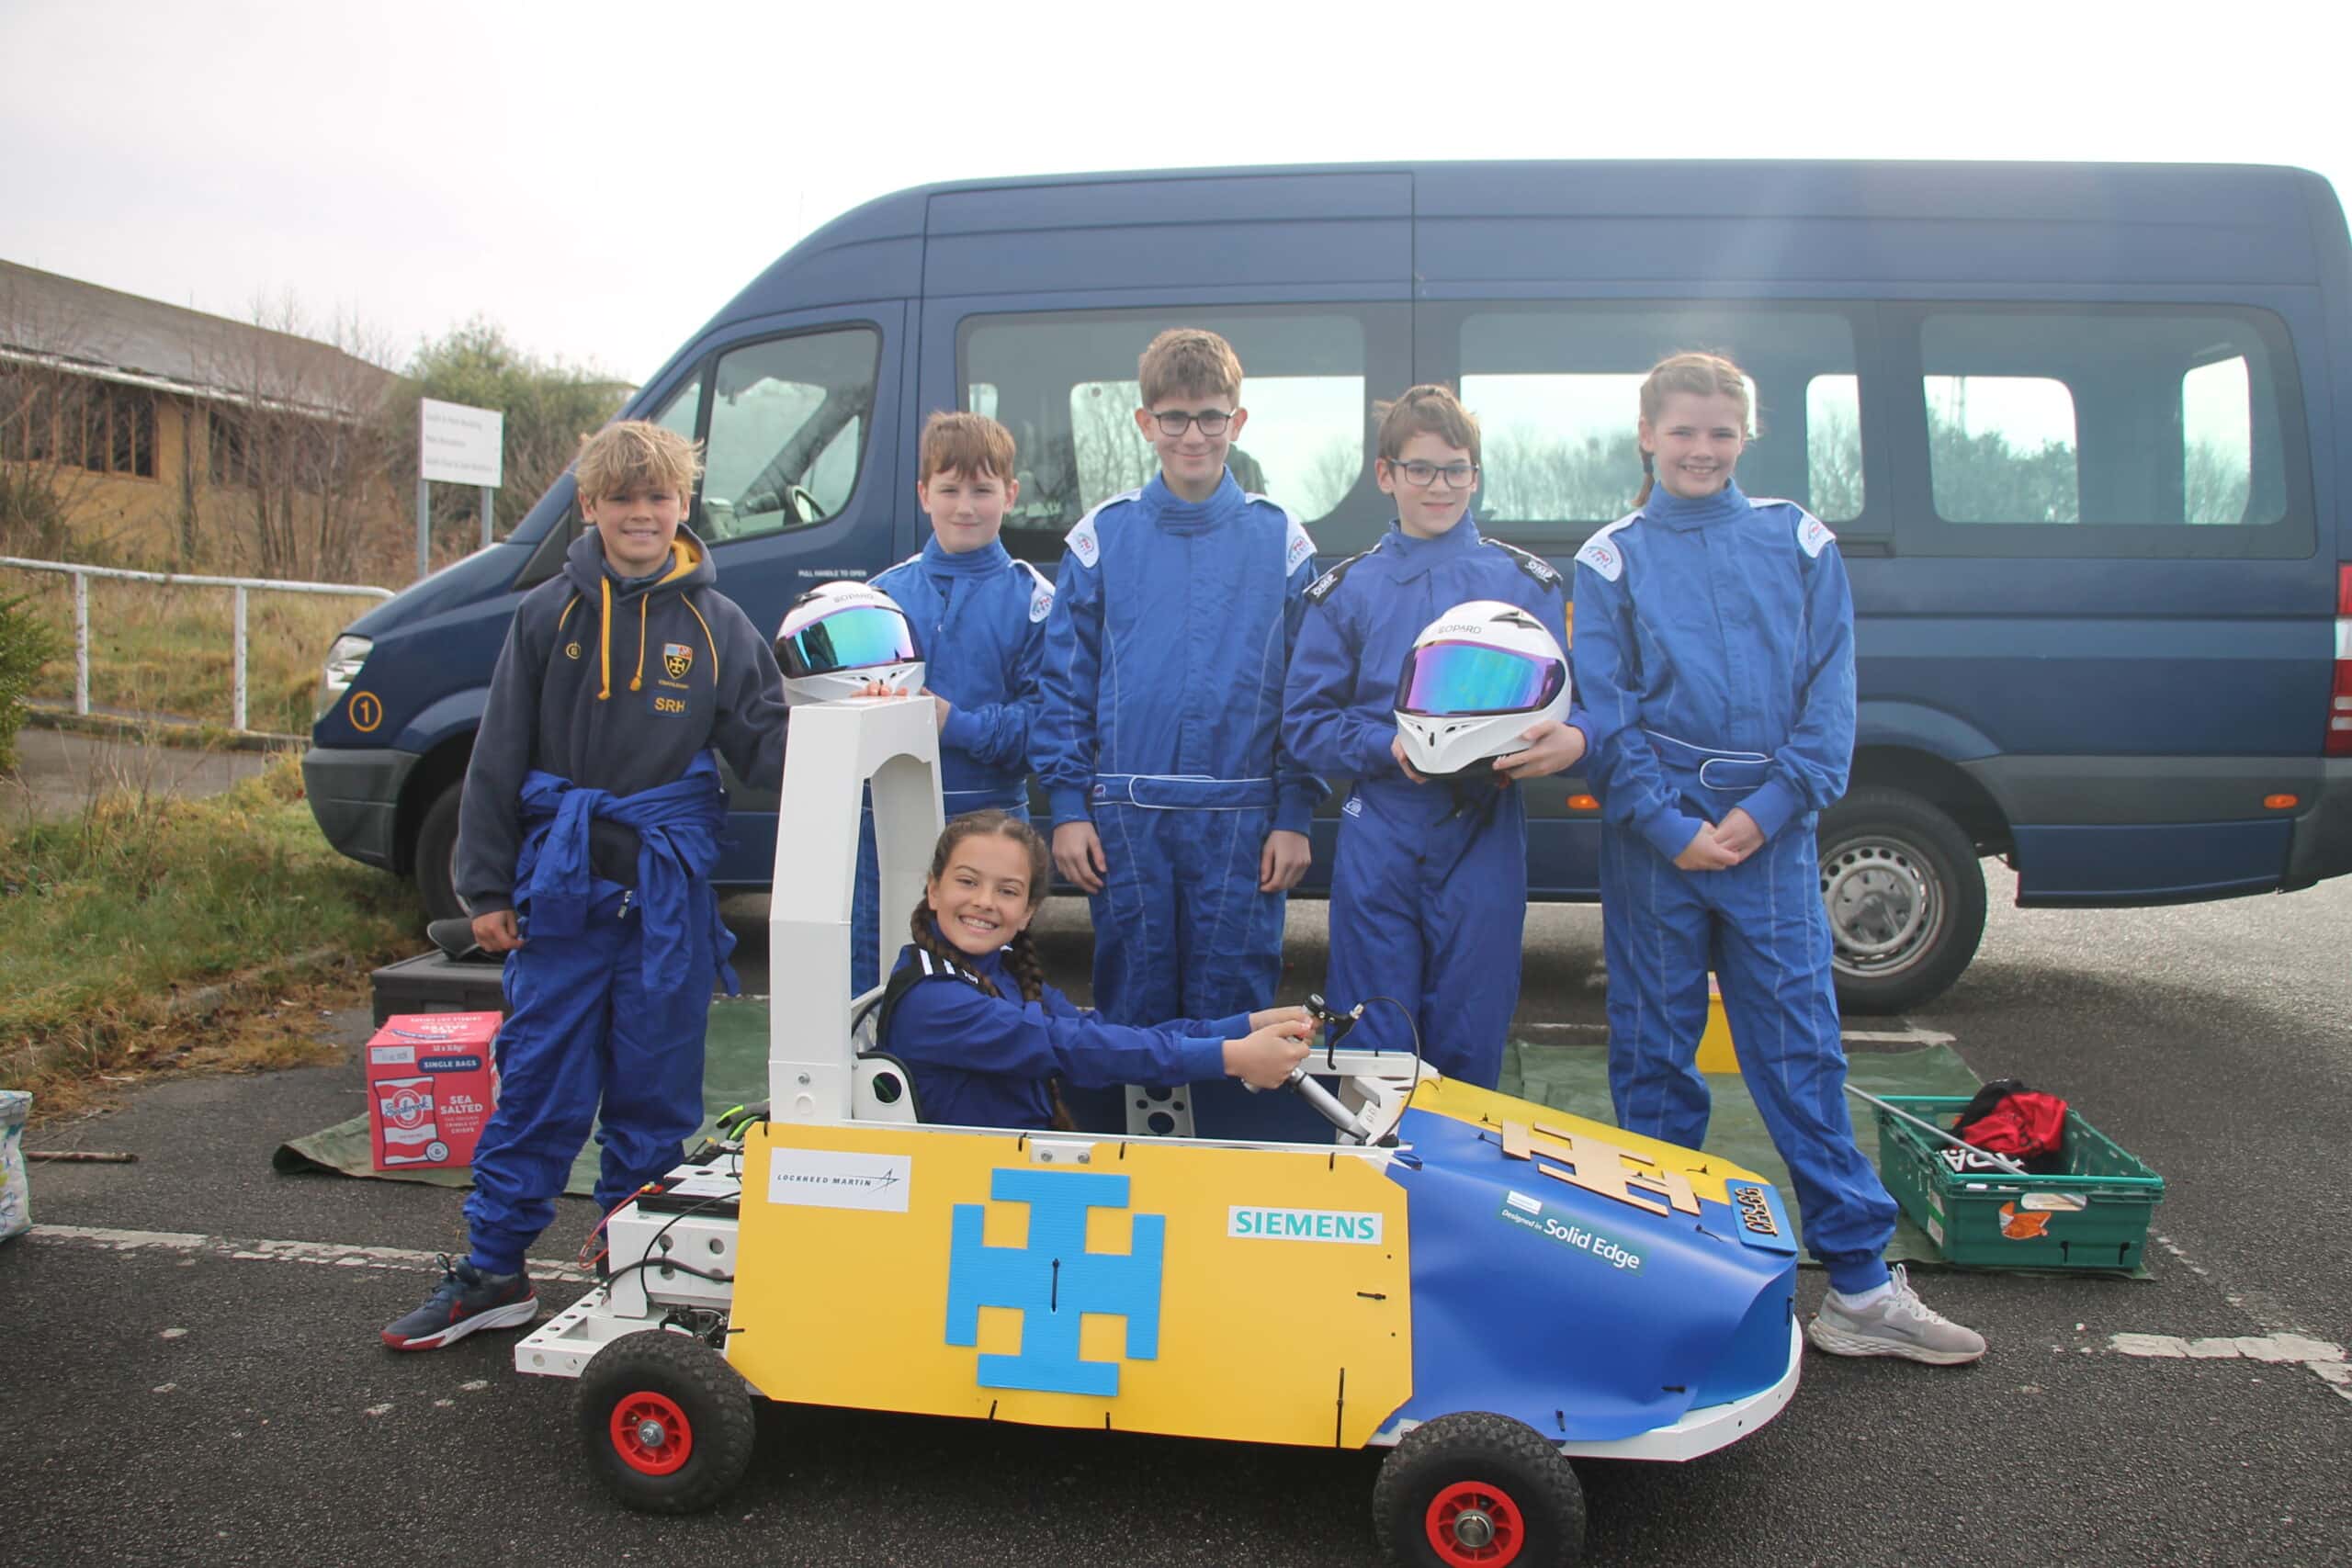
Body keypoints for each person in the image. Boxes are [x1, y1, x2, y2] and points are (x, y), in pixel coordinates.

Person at [1570, 352, 1984, 1365]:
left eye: (1719, 432)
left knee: (1799, 1056)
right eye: (1682, 432)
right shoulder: (1610, 558)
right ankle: (1664, 1277)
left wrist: (1764, 812)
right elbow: (1604, 715)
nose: (1700, 449)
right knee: (1655, 1061)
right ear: (1646, 436)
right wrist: (1670, 827)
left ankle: (1855, 1287)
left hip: (1773, 840)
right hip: (1654, 844)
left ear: (1744, 437)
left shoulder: (1796, 541)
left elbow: (1829, 694)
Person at [383, 420, 790, 1351]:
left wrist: (855, 711)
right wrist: (482, 888)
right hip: (561, 891)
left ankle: (632, 1271)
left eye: (658, 498)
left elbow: (767, 742)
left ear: (683, 507)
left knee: (653, 1098)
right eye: (622, 498)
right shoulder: (546, 616)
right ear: (590, 507)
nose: (641, 514)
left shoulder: (719, 626)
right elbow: (496, 757)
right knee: (537, 1085)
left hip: (666, 900)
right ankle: (493, 1273)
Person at [1033, 327, 1321, 1137]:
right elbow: (1064, 684)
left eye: (1210, 416)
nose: (1192, 434)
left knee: (1236, 1011)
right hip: (1126, 817)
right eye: (1174, 417)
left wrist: (1295, 811)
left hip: (1243, 820)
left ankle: (1226, 1176)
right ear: (1142, 421)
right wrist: (1069, 805)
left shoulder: (1280, 540)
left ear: (1239, 419)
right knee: (1135, 1005)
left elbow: (1308, 689)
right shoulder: (1101, 539)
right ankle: (1136, 1173)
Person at [1283, 385, 1589, 1088]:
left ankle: (1459, 1188)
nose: (1439, 485)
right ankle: (1374, 1182)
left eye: (1456, 468)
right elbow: (1305, 723)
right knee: (1372, 1037)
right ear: (1385, 474)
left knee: (1471, 1029)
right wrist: (1384, 747)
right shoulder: (1347, 591)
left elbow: (1577, 705)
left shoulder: (1528, 583)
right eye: (1419, 468)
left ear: (1475, 475)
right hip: (1381, 830)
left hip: (1485, 826)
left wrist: (1566, 740)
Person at [877, 812, 1317, 1131]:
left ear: (1028, 911)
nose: (984, 902)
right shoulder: (934, 998)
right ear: (934, 890)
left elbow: (1108, 1035)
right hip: (965, 1197)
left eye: (1007, 890)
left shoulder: (1005, 974)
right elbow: (1078, 1048)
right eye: (968, 882)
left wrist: (1242, 1027)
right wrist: (1229, 1058)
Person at [847, 412, 1053, 994]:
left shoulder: (1035, 600)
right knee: (881, 971)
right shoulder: (879, 597)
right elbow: (843, 707)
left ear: (1010, 494)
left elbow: (1046, 727)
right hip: (883, 821)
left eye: (982, 490)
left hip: (991, 823)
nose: (966, 506)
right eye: (950, 489)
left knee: (985, 981)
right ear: (923, 494)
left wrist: (950, 722)